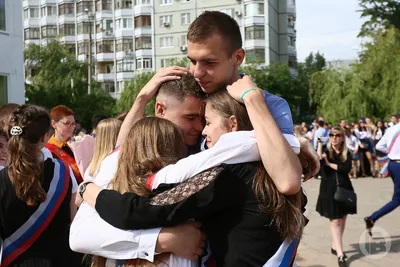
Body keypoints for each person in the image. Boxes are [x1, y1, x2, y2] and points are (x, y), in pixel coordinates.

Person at [70, 74, 302, 264]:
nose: (201, 129)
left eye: (206, 121)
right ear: (160, 109)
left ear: (232, 124)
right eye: (191, 118)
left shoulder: (227, 170)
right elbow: (81, 235)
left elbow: (140, 211)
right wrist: (162, 240)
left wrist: (87, 190)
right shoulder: (267, 161)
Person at [0, 104, 80, 267]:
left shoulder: (1, 179)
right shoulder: (63, 171)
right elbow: (73, 221)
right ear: (44, 138)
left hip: (16, 262)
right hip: (61, 260)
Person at [316, 126, 356, 267]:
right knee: (335, 222)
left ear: (342, 138)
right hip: (329, 190)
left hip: (344, 189)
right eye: (332, 135)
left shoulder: (347, 153)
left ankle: (335, 245)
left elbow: (346, 169)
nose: (334, 138)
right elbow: (319, 166)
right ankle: (340, 254)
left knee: (343, 219)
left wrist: (329, 164)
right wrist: (320, 145)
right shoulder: (327, 152)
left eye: (337, 135)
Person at [364, 123, 400, 236]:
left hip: (393, 165)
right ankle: (372, 218)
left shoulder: (391, 129)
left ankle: (372, 218)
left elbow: (379, 146)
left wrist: (392, 152)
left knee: (398, 198)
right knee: (397, 199)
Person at [46, 105, 83, 183]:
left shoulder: (78, 145)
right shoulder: (48, 150)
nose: (71, 127)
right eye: (67, 123)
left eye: (73, 124)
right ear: (54, 124)